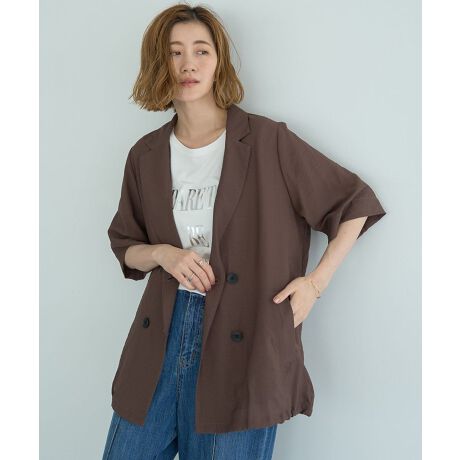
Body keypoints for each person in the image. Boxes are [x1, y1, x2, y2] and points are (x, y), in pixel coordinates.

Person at [102, 3, 386, 459]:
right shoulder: (146, 154)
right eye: (175, 52)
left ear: (219, 62)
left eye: (201, 51)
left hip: (245, 342)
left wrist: (315, 284)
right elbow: (126, 245)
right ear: (159, 63)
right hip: (160, 340)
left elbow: (354, 203)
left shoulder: (268, 141)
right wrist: (162, 254)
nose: (188, 64)